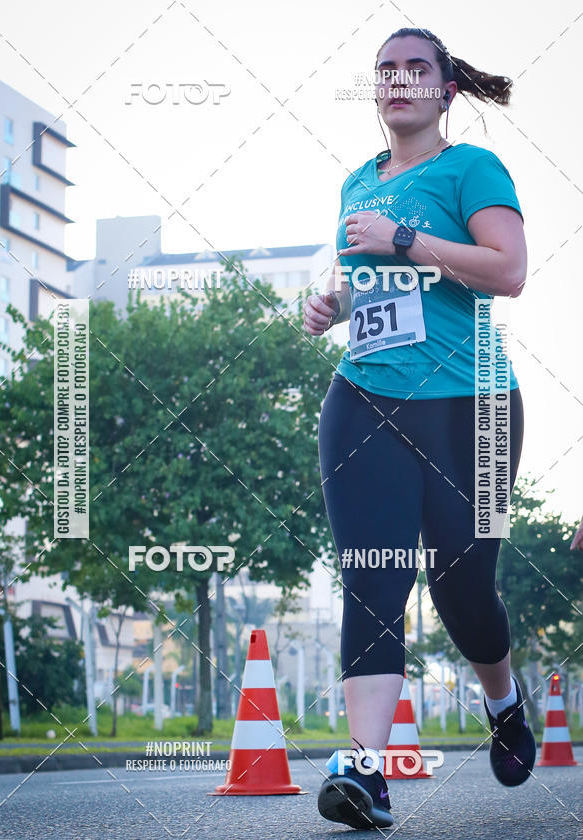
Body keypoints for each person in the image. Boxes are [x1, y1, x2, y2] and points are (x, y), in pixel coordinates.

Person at [303, 27, 536, 830]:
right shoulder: (354, 185)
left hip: (476, 408)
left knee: (463, 586)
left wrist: (405, 240)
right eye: (385, 71)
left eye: (416, 69)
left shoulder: (472, 169)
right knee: (373, 578)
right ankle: (366, 775)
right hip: (364, 397)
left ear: (444, 91)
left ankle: (504, 702)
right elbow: (367, 286)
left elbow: (507, 271)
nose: (398, 80)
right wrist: (331, 304)